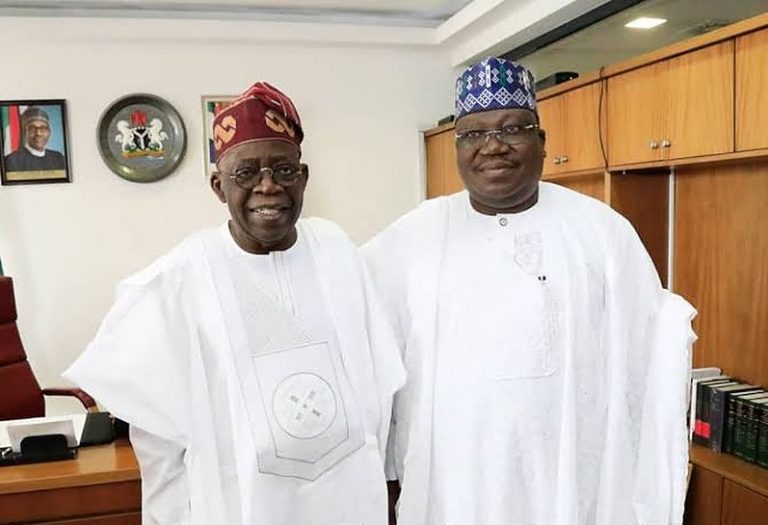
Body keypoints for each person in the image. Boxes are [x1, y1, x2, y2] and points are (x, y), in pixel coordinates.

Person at [364, 57, 696, 525]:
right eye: (474, 134)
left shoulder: (601, 232)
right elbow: (368, 356)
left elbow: (648, 350)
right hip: (451, 485)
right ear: (456, 147)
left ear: (541, 141)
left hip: (569, 480)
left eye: (512, 129)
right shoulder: (408, 240)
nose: (493, 146)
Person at [65, 82, 405, 525]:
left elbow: (381, 387)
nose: (269, 187)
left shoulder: (337, 250)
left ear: (303, 177)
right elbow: (160, 450)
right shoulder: (175, 282)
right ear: (218, 186)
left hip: (347, 500)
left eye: (284, 170)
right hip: (242, 507)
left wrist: (387, 487)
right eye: (246, 173)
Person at [4, 107, 66, 172]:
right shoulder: (12, 160)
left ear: (49, 132)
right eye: (32, 129)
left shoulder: (59, 158)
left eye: (42, 128)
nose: (38, 133)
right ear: (24, 132)